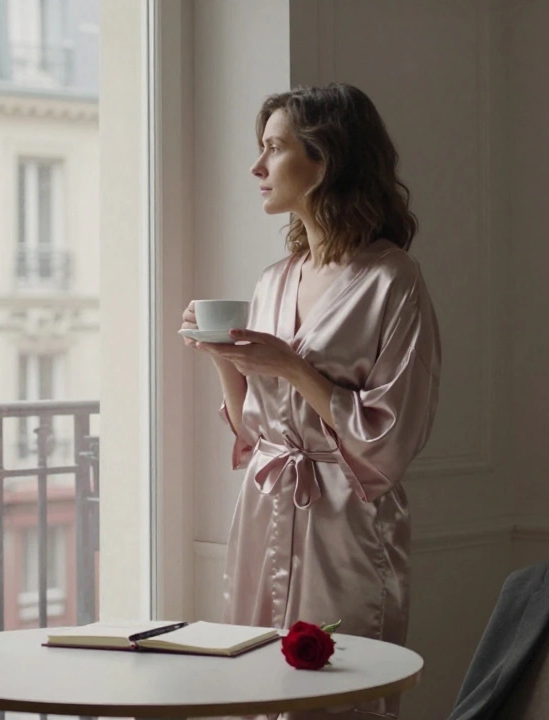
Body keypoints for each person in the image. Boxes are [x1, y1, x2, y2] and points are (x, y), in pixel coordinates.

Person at [182, 83, 441, 718]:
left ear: (324, 160)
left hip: (345, 523)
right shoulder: (273, 281)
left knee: (338, 693)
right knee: (253, 686)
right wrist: (222, 356)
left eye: (274, 148)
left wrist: (293, 368)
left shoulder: (392, 280)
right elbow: (255, 429)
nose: (257, 166)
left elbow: (391, 436)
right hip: (264, 507)